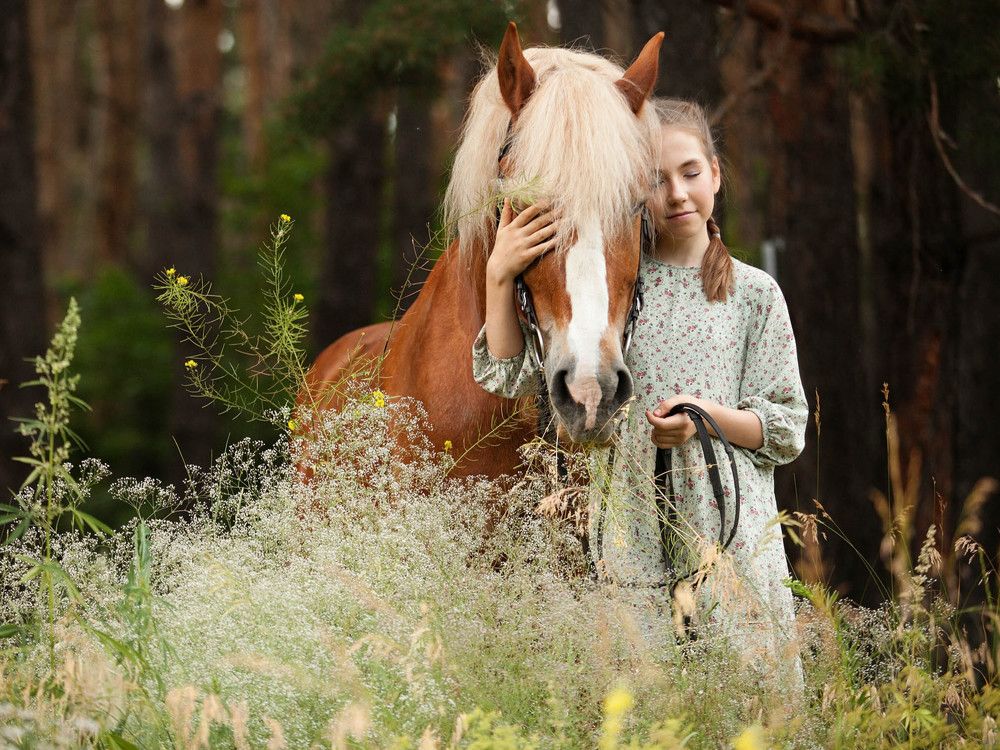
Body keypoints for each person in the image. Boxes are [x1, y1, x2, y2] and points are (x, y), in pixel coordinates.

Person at [471, 98, 807, 692]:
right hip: (633, 539)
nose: (676, 193)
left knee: (751, 704)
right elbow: (511, 374)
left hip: (729, 538)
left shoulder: (756, 294)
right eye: (655, 180)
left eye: (690, 172)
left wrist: (702, 420)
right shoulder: (619, 283)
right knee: (646, 706)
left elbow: (784, 430)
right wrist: (499, 275)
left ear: (717, 174)